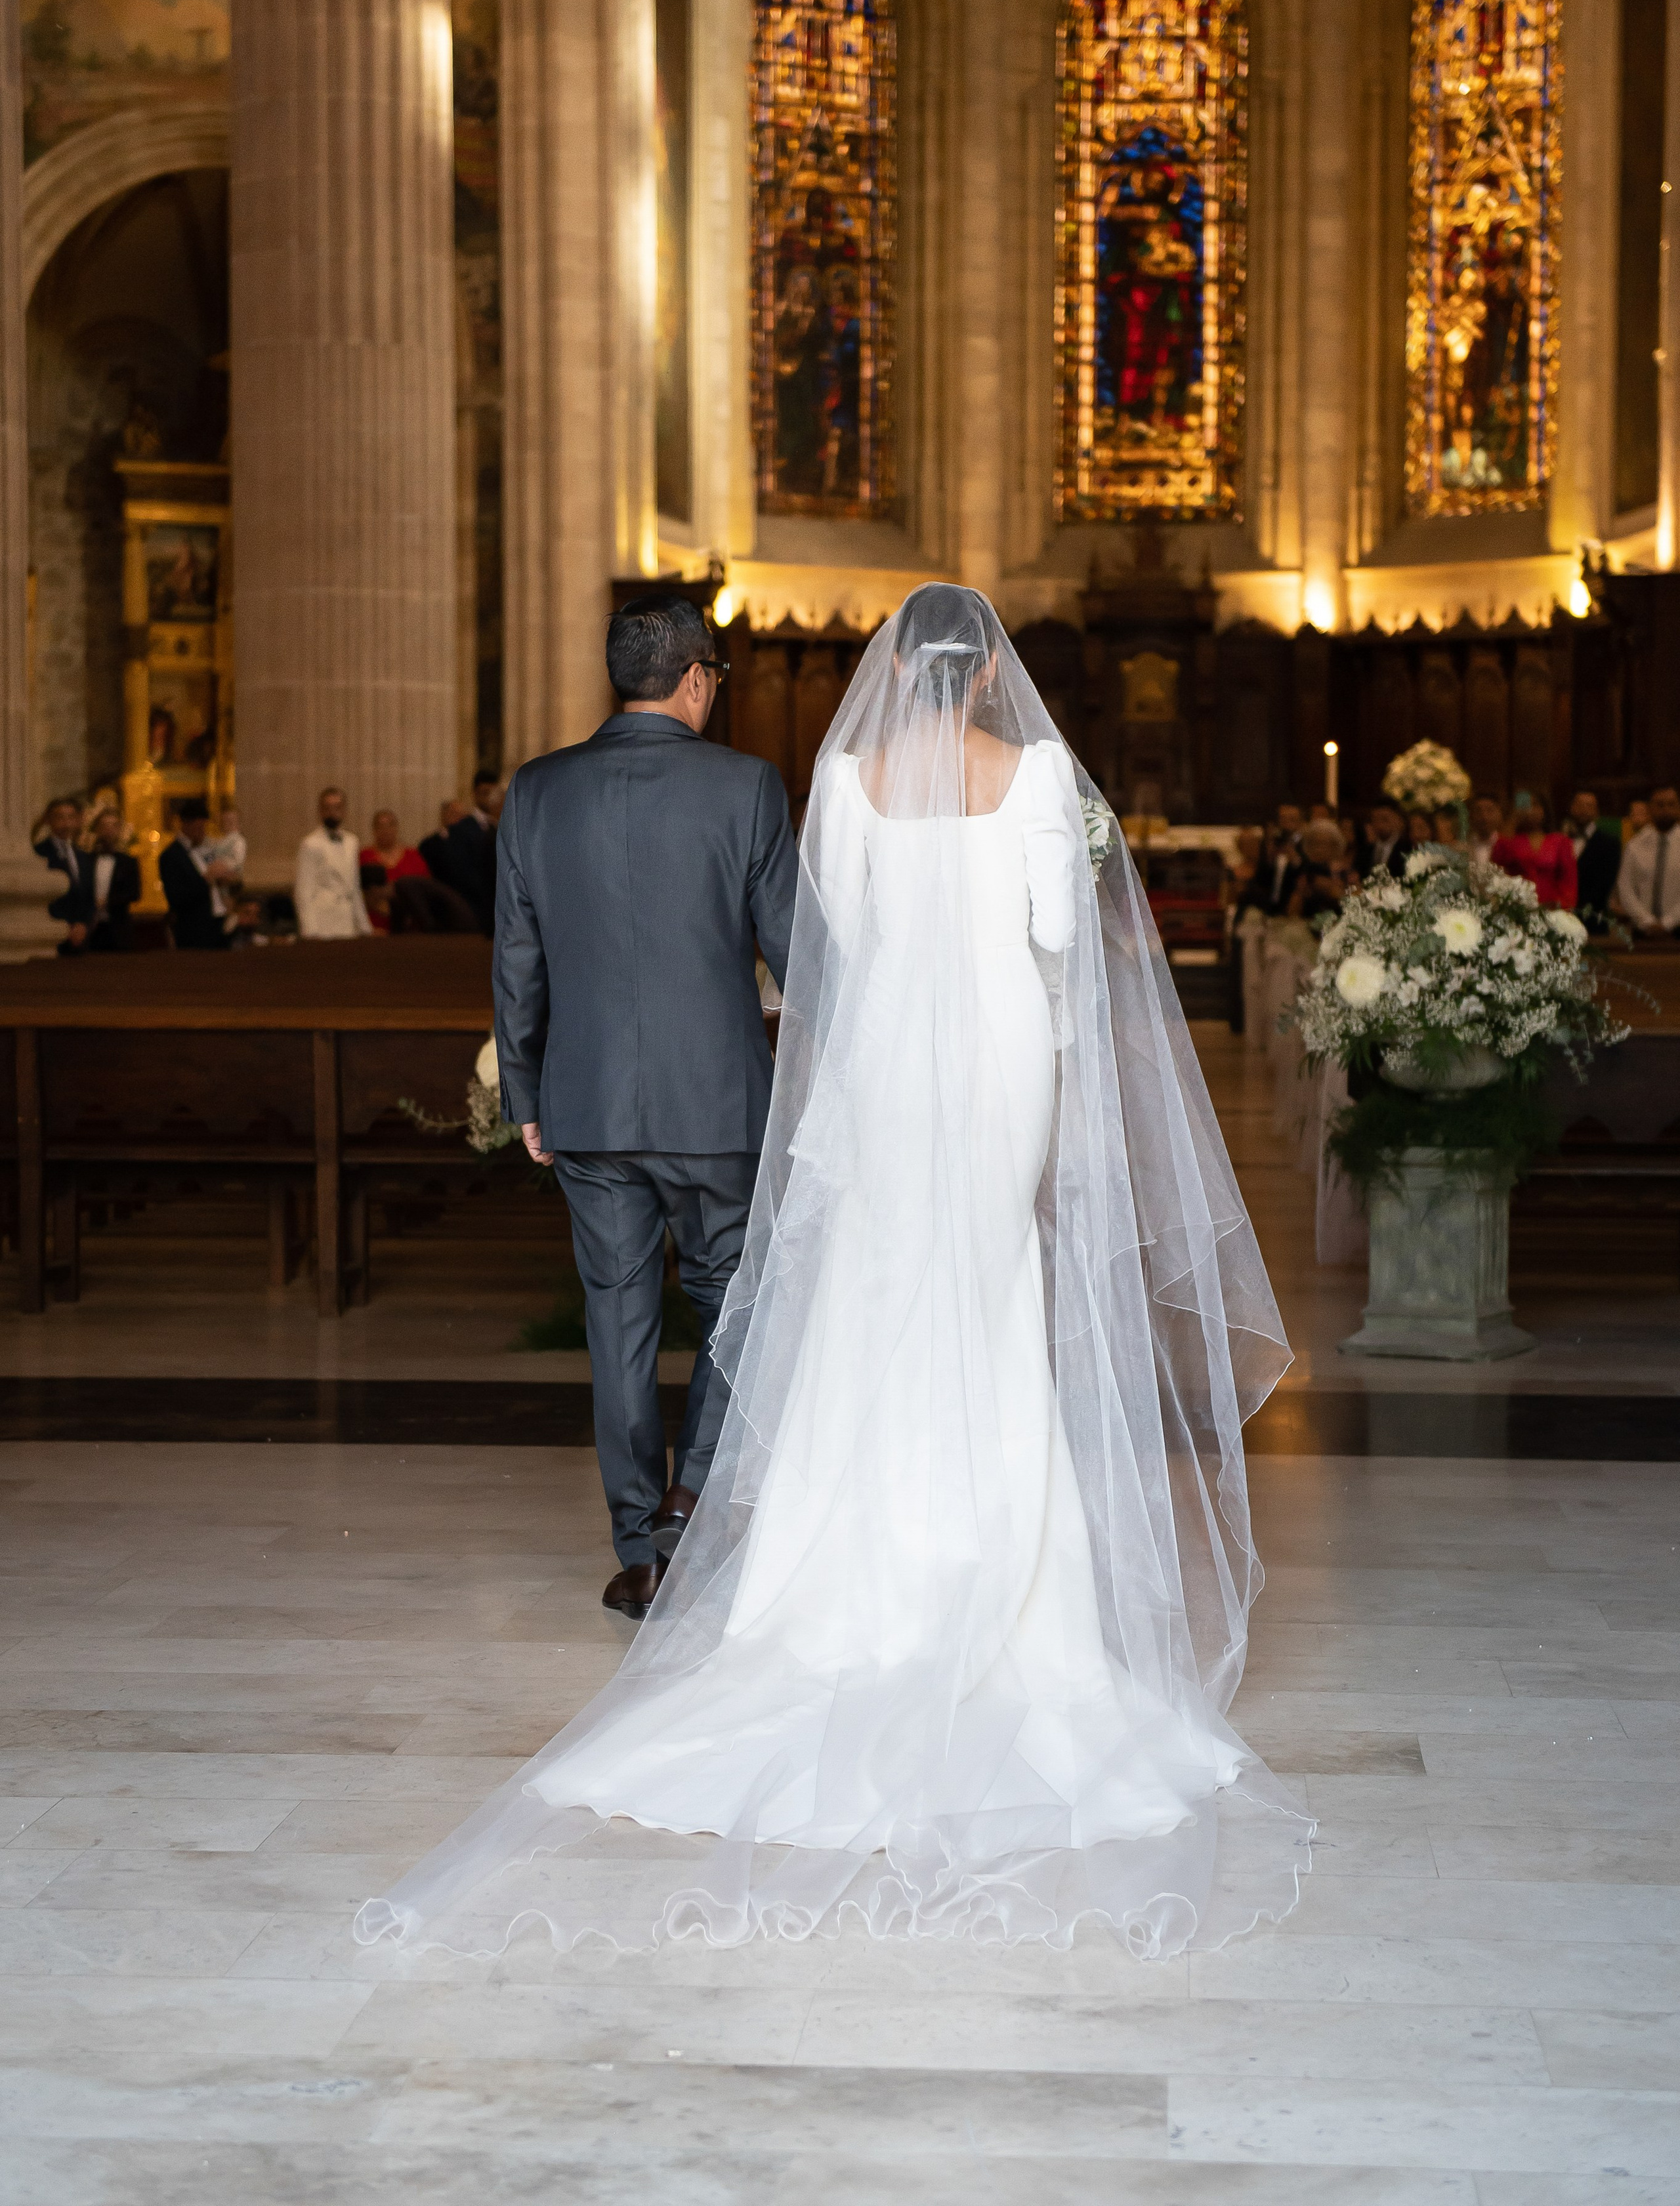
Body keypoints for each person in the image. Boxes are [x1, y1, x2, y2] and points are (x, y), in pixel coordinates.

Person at [356, 583, 1307, 1965]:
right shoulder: (1037, 772)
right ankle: (1001, 1581)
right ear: (984, 673)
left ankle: (823, 1575)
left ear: (890, 673)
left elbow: (831, 959)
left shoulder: (843, 783)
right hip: (995, 1068)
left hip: (876, 1073)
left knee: (869, 1303)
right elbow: (1055, 943)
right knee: (991, 1301)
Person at [490, 591, 797, 1614]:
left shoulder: (536, 792)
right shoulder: (748, 788)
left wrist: (527, 1090)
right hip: (717, 1103)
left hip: (584, 1104)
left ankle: (637, 1545)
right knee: (732, 1306)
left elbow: (517, 960)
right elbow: (794, 957)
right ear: (699, 676)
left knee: (616, 1321)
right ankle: (688, 1499)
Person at [47, 808, 140, 954]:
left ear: (120, 830)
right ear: (96, 829)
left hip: (118, 929)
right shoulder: (85, 860)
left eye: (113, 826)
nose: (109, 830)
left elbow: (134, 893)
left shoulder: (128, 863)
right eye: (104, 826)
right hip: (89, 929)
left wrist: (106, 901)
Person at [295, 788, 372, 938]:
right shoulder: (311, 844)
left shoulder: (352, 842)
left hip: (347, 921)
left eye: (337, 808)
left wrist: (365, 927)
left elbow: (354, 888)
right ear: (320, 811)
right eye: (327, 808)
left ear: (344, 810)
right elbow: (304, 891)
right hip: (323, 922)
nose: (332, 812)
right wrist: (310, 931)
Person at [159, 799, 231, 949]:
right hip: (194, 930)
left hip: (218, 923)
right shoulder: (171, 856)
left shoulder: (205, 850)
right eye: (200, 827)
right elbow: (176, 898)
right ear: (187, 825)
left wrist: (223, 880)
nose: (203, 832)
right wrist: (207, 879)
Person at [438, 771, 501, 936]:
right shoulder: (461, 829)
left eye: (492, 793)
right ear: (475, 793)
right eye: (484, 793)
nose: (489, 798)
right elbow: (459, 871)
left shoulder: (500, 828)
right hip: (472, 907)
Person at [1616, 783, 1680, 936]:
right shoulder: (1635, 845)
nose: (1666, 810)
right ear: (1650, 809)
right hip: (1642, 929)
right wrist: (1647, 921)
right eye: (1660, 805)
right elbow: (1625, 888)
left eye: (1671, 804)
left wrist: (1668, 922)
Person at [1493, 797, 1577, 909]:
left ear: (1544, 810)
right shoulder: (1512, 841)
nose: (1531, 810)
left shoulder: (1560, 841)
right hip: (1519, 906)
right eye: (1527, 806)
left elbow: (1569, 880)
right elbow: (1498, 864)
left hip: (1554, 907)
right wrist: (1514, 820)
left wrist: (1563, 905)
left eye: (1536, 805)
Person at [359, 808, 429, 935]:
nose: (386, 831)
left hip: (409, 931)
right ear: (374, 830)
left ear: (396, 828)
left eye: (390, 825)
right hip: (374, 931)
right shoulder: (364, 857)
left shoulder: (413, 857)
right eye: (381, 826)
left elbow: (425, 892)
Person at [1563, 789, 1621, 927]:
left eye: (1589, 806)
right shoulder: (1560, 840)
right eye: (1580, 805)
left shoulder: (1609, 843)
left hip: (1594, 920)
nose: (1584, 810)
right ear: (1572, 808)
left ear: (1597, 812)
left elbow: (1605, 884)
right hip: (1562, 918)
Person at [32, 797, 83, 887]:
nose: (67, 824)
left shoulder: (81, 854)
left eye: (71, 817)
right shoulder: (40, 852)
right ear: (49, 820)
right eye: (60, 817)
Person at [1355, 801, 1405, 877]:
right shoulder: (1366, 850)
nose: (1380, 825)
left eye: (1385, 820)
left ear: (1397, 819)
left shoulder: (1406, 849)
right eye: (1375, 820)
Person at [1467, 792, 1505, 866]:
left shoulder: (1507, 845)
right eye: (1478, 811)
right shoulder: (1464, 846)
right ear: (1471, 815)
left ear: (1499, 814)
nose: (1484, 817)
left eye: (1490, 810)